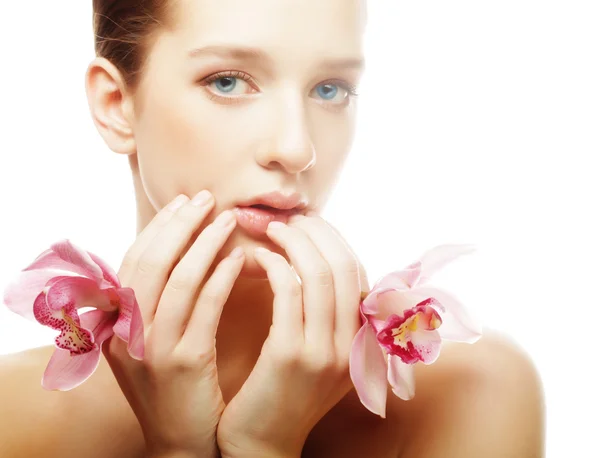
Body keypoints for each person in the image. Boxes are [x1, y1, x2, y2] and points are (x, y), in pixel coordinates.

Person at [0, 0, 544, 457]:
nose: (296, 148)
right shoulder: (14, 417)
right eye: (230, 81)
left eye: (331, 89)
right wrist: (179, 448)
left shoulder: (474, 391)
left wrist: (264, 446)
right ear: (116, 105)